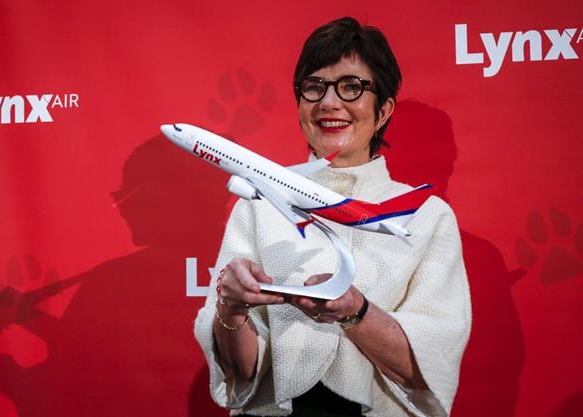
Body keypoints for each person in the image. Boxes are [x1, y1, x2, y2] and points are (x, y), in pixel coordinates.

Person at [194, 17, 471, 417]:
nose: (328, 102)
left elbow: (430, 367)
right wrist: (230, 308)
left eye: (351, 86)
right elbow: (240, 373)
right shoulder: (257, 204)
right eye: (314, 87)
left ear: (383, 110)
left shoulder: (425, 217)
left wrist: (355, 310)